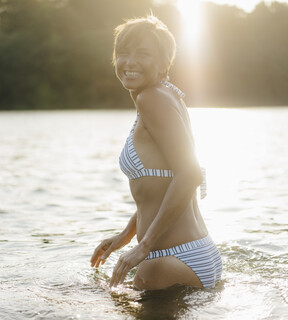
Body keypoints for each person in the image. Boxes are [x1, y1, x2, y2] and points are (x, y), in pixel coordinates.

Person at [90, 15, 222, 290]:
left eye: (143, 54)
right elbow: (159, 187)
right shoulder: (165, 94)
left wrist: (144, 247)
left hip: (169, 262)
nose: (130, 62)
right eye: (123, 53)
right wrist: (127, 235)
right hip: (194, 256)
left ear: (164, 63)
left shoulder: (153, 99)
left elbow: (190, 174)